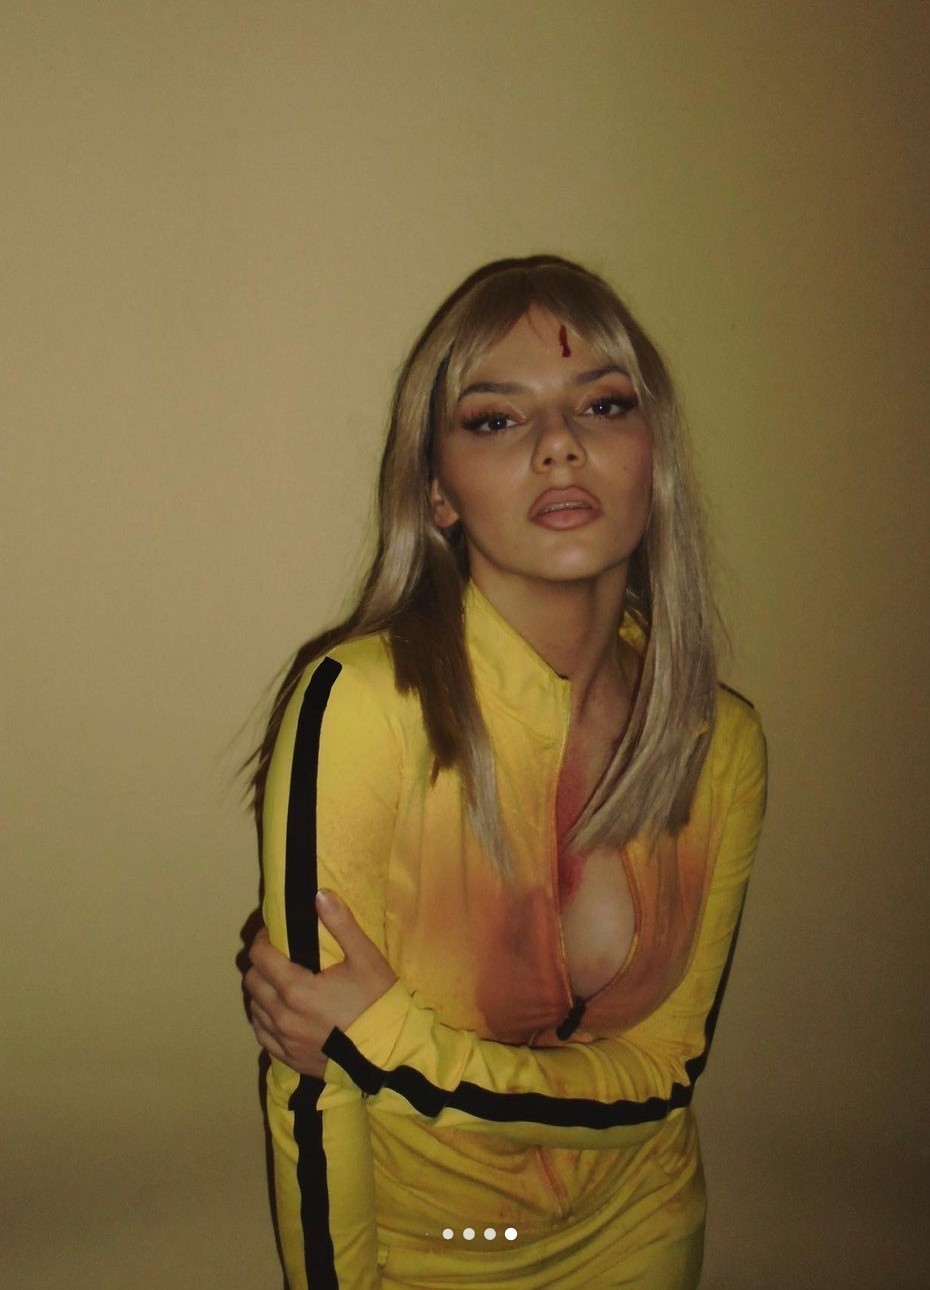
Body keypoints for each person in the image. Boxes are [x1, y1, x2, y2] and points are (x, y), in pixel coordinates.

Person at [242, 255, 767, 1289]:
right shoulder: (359, 706)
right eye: (496, 419)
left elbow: (663, 1079)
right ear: (437, 493)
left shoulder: (721, 742)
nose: (560, 443)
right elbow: (310, 1087)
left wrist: (386, 1039)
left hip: (643, 1230)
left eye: (603, 405)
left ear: (653, 458)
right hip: (423, 1255)